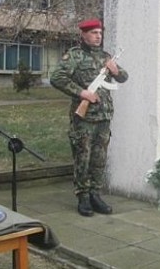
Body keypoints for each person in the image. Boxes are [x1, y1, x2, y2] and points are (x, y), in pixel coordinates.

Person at [50, 18, 128, 217]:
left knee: (99, 158)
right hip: (84, 118)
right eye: (94, 33)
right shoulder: (75, 56)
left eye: (100, 33)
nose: (98, 36)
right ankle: (83, 196)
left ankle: (95, 194)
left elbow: (123, 77)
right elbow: (57, 77)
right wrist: (81, 93)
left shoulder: (106, 57)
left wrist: (115, 70)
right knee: (82, 158)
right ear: (83, 35)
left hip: (104, 116)